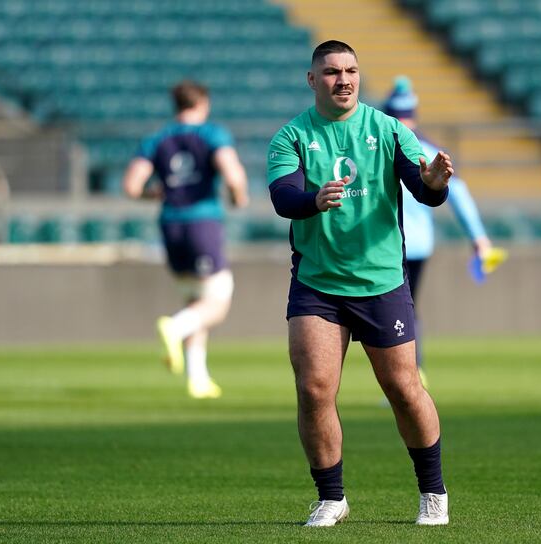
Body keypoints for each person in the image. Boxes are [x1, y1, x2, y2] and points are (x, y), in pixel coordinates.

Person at [267, 40, 452, 526]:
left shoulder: (389, 130)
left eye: (350, 70)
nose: (343, 79)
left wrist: (434, 183)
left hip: (381, 282)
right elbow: (284, 197)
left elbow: (423, 189)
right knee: (314, 388)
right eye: (330, 72)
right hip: (317, 283)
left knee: (403, 387)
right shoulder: (290, 137)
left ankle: (433, 492)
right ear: (313, 80)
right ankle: (332, 497)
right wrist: (312, 199)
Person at [122, 79, 249, 400]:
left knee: (196, 299)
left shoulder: (157, 139)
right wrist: (237, 196)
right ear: (203, 104)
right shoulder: (211, 134)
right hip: (201, 222)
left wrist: (156, 193)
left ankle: (198, 378)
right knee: (217, 302)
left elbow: (131, 186)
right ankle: (175, 328)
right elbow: (232, 174)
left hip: (170, 224)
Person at [382, 76, 506, 385]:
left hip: (389, 243)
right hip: (420, 244)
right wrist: (478, 238)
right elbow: (459, 194)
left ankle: (407, 374)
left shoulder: (381, 145)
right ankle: (409, 371)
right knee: (406, 307)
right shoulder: (430, 148)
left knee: (395, 311)